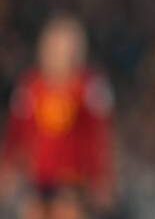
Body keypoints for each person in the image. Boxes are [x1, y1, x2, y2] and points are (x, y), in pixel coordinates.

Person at [0, 14, 116, 219]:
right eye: (55, 48)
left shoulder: (89, 88)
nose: (59, 54)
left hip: (73, 181)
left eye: (66, 49)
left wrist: (102, 177)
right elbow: (16, 134)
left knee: (66, 212)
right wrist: (7, 168)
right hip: (37, 177)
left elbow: (99, 136)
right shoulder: (30, 88)